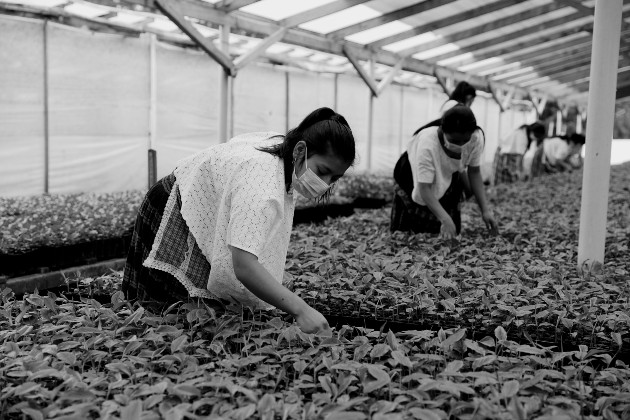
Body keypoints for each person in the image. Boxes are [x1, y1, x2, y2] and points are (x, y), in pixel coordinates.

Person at [122, 107, 355, 334]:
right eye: (323, 171)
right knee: (163, 314)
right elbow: (244, 266)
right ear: (300, 151)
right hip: (175, 206)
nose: (325, 182)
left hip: (196, 200)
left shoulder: (283, 153)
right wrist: (301, 310)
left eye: (334, 177)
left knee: (202, 314)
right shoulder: (261, 184)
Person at [391, 105, 498, 239]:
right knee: (406, 234)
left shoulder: (476, 138)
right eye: (454, 141)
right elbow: (424, 188)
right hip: (410, 175)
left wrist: (485, 210)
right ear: (443, 130)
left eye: (465, 140)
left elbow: (474, 173)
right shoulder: (428, 144)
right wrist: (445, 219)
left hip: (447, 173)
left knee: (447, 230)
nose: (460, 145)